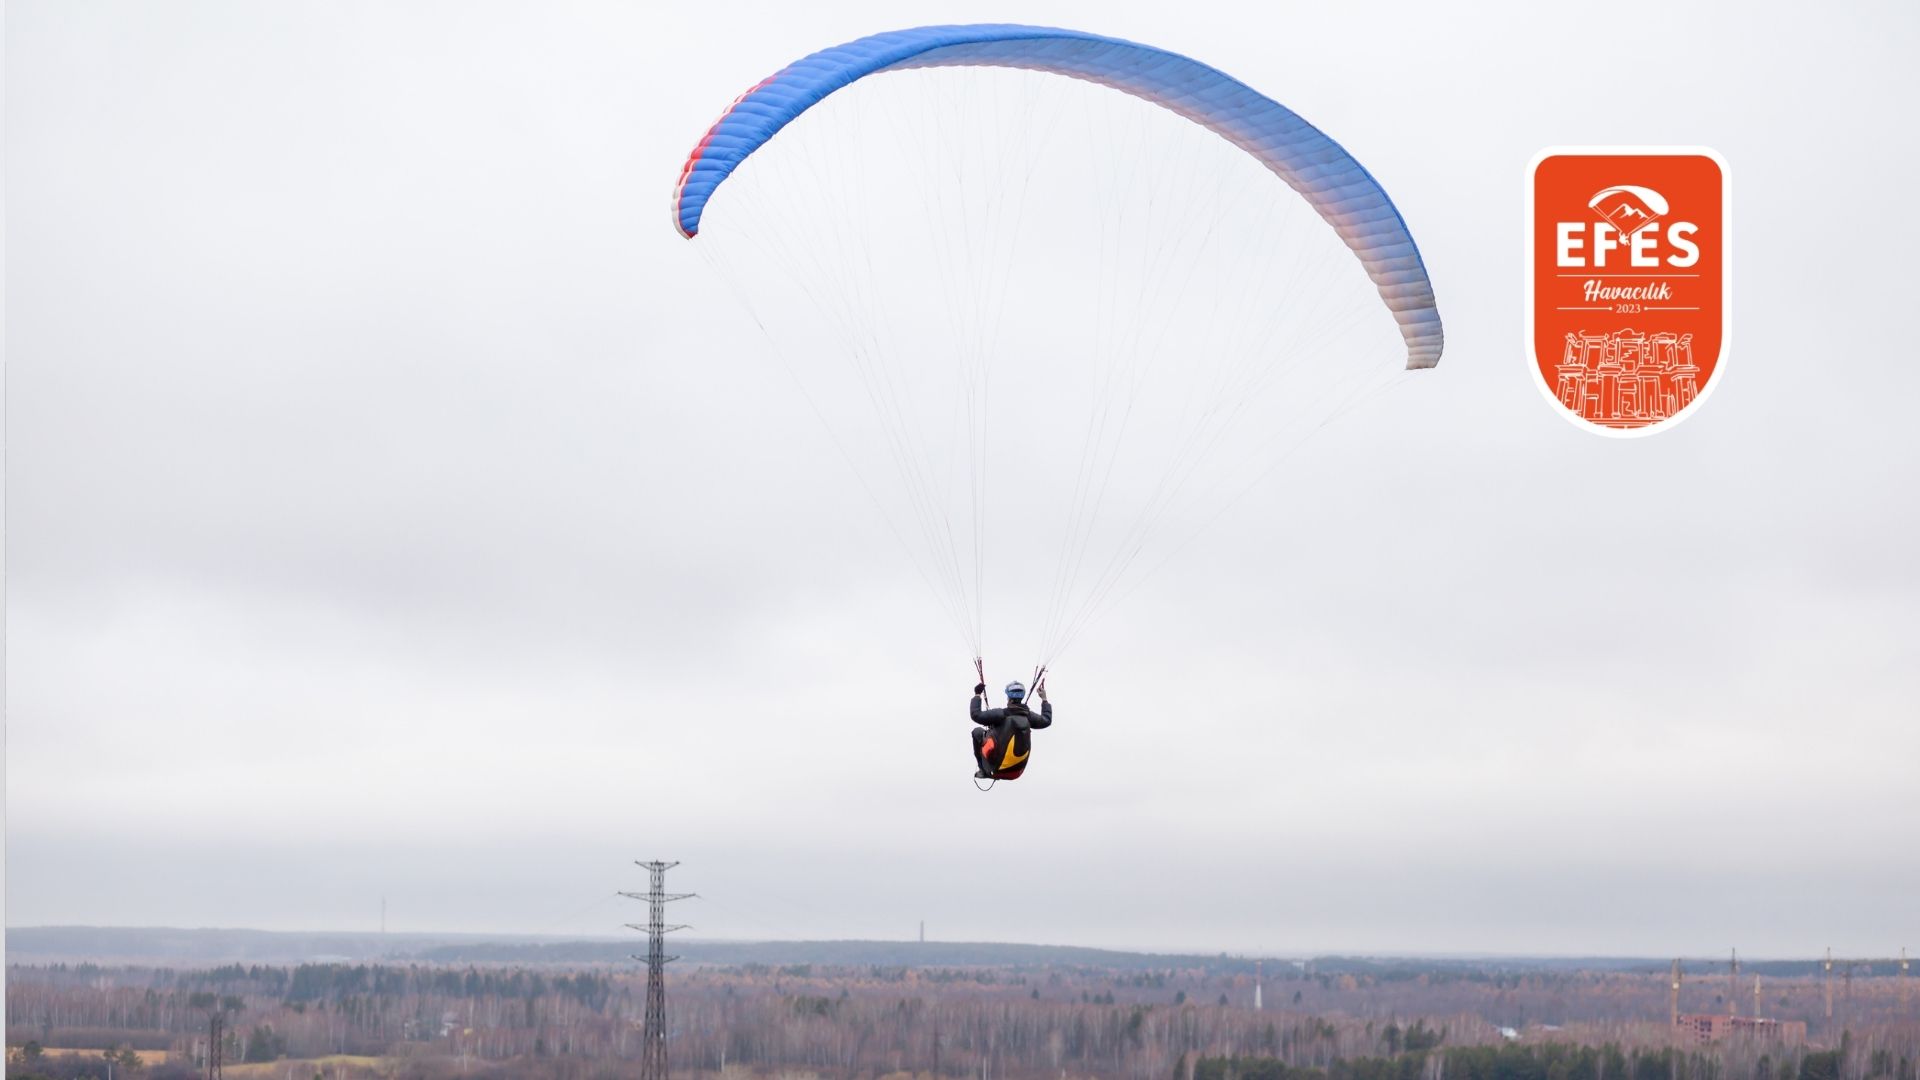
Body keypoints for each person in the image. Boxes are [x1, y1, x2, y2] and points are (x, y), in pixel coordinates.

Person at [970, 679, 1052, 780]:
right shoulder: (1028, 717)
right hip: (1016, 773)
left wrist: (977, 694)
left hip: (995, 768)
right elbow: (1047, 720)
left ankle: (983, 770)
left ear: (1008, 697)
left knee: (977, 732)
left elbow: (976, 715)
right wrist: (1044, 699)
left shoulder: (1001, 715)